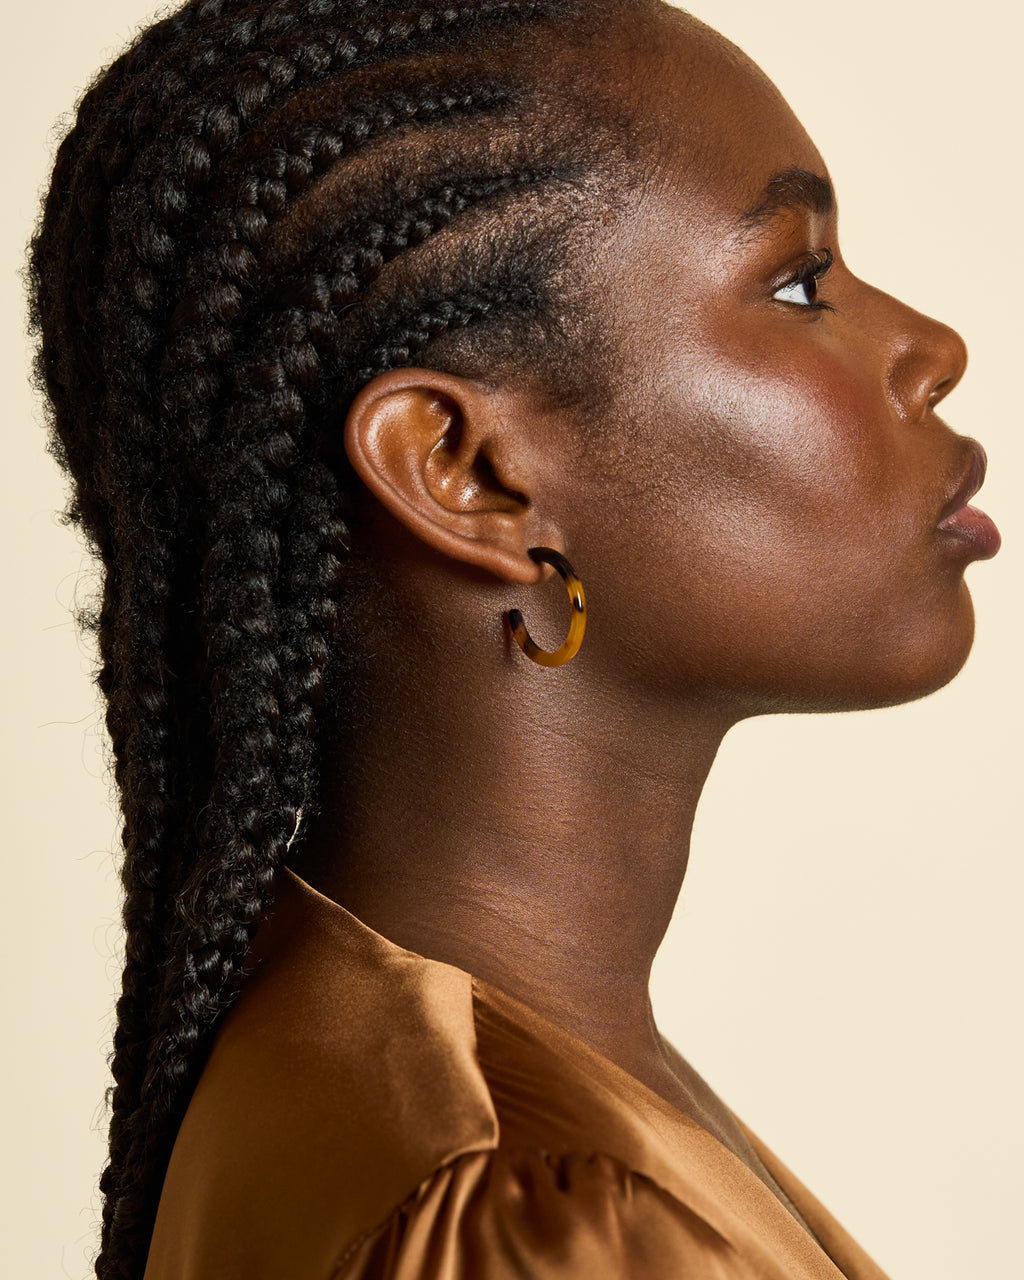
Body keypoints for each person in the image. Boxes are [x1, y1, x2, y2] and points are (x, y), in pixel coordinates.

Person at [28, 0, 1000, 1276]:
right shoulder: (528, 1213)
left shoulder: (370, 1071)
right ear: (465, 469)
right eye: (798, 282)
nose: (933, 349)